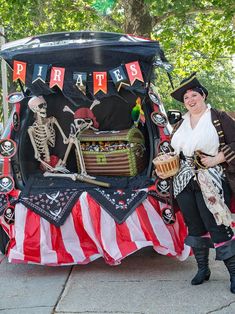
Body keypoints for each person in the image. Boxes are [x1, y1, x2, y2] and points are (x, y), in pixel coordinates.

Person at [157, 73, 235, 293]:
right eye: (186, 98)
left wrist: (218, 158)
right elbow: (176, 150)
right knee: (194, 225)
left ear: (203, 96)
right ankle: (203, 269)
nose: (190, 100)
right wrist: (168, 165)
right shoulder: (181, 122)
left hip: (209, 178)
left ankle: (234, 272)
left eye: (194, 95)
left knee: (216, 224)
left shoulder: (218, 117)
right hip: (183, 179)